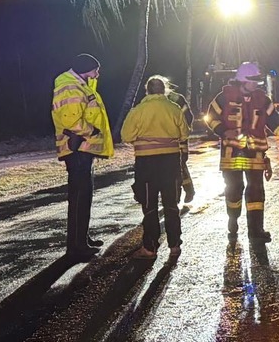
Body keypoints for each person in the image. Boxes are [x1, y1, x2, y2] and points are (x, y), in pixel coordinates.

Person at [204, 61, 279, 243]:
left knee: (256, 192)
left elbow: (275, 122)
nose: (256, 84)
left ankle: (256, 231)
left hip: (255, 154)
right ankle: (233, 219)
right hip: (232, 154)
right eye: (253, 81)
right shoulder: (224, 98)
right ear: (243, 80)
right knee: (234, 190)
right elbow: (210, 117)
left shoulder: (262, 100)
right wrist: (222, 131)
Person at [52, 53, 114, 261]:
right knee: (80, 197)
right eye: (96, 69)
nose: (98, 73)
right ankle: (77, 246)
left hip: (82, 150)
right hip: (77, 149)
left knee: (83, 197)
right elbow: (70, 119)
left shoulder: (80, 85)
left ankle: (82, 239)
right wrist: (91, 132)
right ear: (86, 69)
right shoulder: (70, 86)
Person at [121, 76, 190, 261]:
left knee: (150, 206)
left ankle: (150, 248)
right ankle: (175, 245)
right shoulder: (174, 109)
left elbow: (126, 135)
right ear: (164, 90)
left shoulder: (139, 110)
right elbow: (184, 133)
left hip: (146, 164)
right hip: (170, 162)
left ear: (147, 91)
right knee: (171, 205)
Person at [167, 85, 196, 203]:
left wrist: (181, 131)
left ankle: (187, 191)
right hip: (167, 140)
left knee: (180, 165)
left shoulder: (177, 99)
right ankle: (175, 197)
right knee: (171, 168)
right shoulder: (155, 101)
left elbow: (188, 116)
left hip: (179, 139)